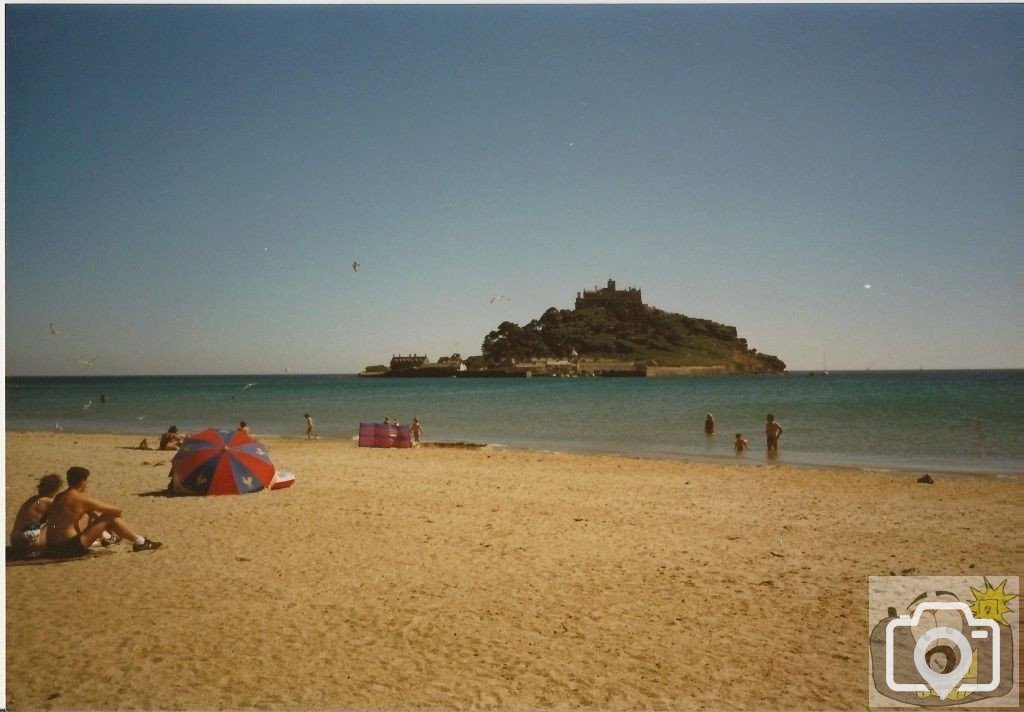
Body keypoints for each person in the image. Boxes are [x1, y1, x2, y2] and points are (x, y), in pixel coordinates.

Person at [45, 467, 161, 556]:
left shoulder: (60, 496)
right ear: (82, 481)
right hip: (69, 548)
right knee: (109, 517)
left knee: (88, 515)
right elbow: (117, 511)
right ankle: (140, 542)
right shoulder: (80, 499)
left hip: (51, 546)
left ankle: (108, 537)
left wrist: (93, 513)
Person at [10, 473, 63, 553]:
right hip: (26, 539)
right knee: (55, 522)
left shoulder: (33, 499)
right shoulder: (46, 501)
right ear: (54, 489)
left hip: (15, 539)